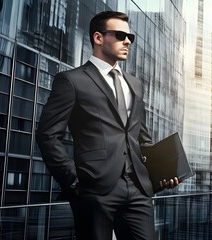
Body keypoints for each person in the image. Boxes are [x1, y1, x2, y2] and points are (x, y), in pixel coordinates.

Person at [36, 11, 179, 240]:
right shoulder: (72, 80)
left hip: (138, 189)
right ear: (98, 38)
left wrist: (161, 172)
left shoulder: (134, 84)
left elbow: (141, 138)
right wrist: (74, 181)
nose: (128, 41)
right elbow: (47, 135)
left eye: (130, 36)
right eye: (121, 35)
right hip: (94, 190)